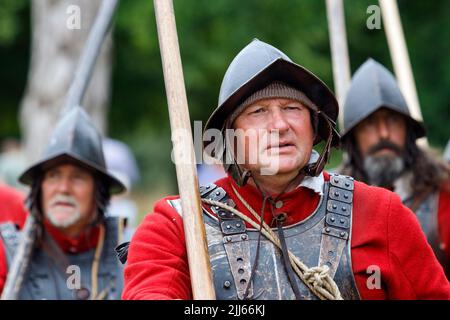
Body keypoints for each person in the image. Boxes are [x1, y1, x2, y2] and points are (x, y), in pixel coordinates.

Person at [122, 40, 450, 300]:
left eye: (292, 108)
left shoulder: (382, 213)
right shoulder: (178, 221)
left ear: (314, 127)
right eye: (259, 111)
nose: (279, 125)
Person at [339, 58, 450, 278]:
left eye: (392, 121)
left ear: (408, 132)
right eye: (370, 123)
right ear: (353, 140)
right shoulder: (334, 199)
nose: (384, 134)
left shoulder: (443, 190)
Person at [0, 106, 126, 299]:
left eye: (78, 177)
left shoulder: (130, 251)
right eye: (53, 176)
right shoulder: (6, 252)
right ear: (39, 188)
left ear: (98, 190)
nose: (63, 188)